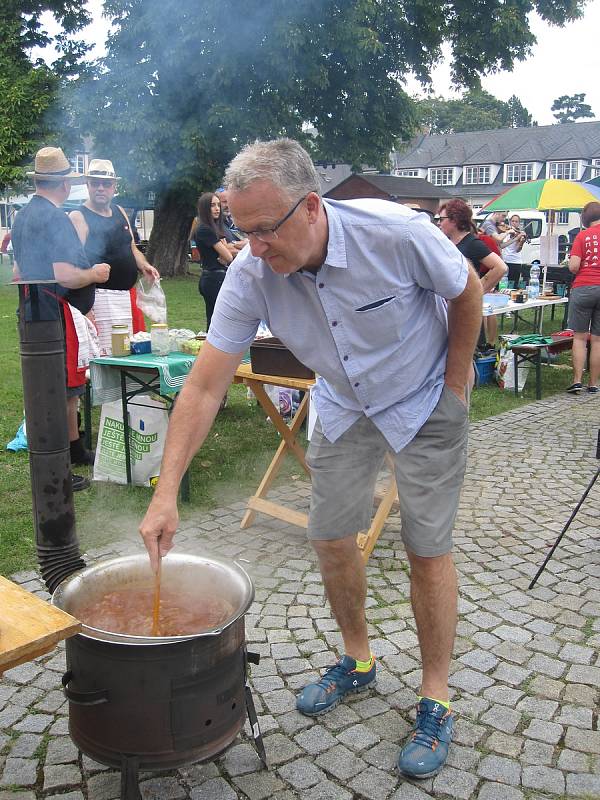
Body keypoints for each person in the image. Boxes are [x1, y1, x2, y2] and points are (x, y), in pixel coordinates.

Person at [140, 138, 483, 779]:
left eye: (266, 230)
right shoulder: (250, 272)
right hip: (345, 405)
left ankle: (435, 696)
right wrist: (165, 492)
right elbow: (206, 384)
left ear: (313, 208)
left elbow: (466, 290)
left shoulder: (398, 233)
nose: (254, 248)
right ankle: (358, 660)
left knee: (425, 547)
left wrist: (456, 388)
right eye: (243, 231)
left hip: (423, 396)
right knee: (329, 538)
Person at [11, 147, 111, 487]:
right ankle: (58, 471)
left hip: (32, 310)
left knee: (63, 389)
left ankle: (73, 450)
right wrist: (95, 273)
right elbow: (65, 275)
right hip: (51, 312)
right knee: (54, 391)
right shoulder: (54, 217)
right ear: (63, 185)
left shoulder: (22, 215)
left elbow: (17, 269)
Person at [69, 159, 159, 355]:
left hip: (128, 297)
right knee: (108, 356)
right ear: (88, 185)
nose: (100, 188)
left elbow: (132, 247)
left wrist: (144, 265)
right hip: (100, 300)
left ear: (114, 187)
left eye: (106, 184)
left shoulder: (119, 211)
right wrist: (86, 307)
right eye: (95, 183)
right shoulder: (78, 217)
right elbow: (72, 265)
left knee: (135, 354)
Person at [437, 199, 507, 346]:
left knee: (467, 356)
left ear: (454, 220)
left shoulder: (472, 243)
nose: (438, 223)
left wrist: (476, 291)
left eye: (441, 219)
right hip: (451, 307)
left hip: (466, 310)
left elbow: (500, 267)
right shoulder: (448, 243)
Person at [566, 201, 600, 394]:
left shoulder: (582, 236)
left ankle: (577, 380)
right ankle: (593, 383)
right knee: (598, 340)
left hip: (584, 287)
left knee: (579, 337)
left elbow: (573, 266)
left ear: (585, 219)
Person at [194, 192, 236, 329]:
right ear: (205, 208)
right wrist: (225, 249)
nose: (217, 208)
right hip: (213, 277)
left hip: (217, 276)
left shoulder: (215, 228)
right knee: (217, 320)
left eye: (218, 205)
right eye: (212, 205)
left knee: (218, 319)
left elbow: (227, 252)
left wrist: (225, 249)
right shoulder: (204, 229)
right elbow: (229, 256)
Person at [501, 214, 527, 287]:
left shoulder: (519, 234)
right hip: (505, 260)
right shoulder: (505, 232)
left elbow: (517, 250)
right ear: (510, 222)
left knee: (512, 284)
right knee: (503, 284)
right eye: (512, 221)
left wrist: (521, 242)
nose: (514, 223)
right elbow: (501, 245)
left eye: (516, 221)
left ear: (519, 223)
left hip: (515, 261)